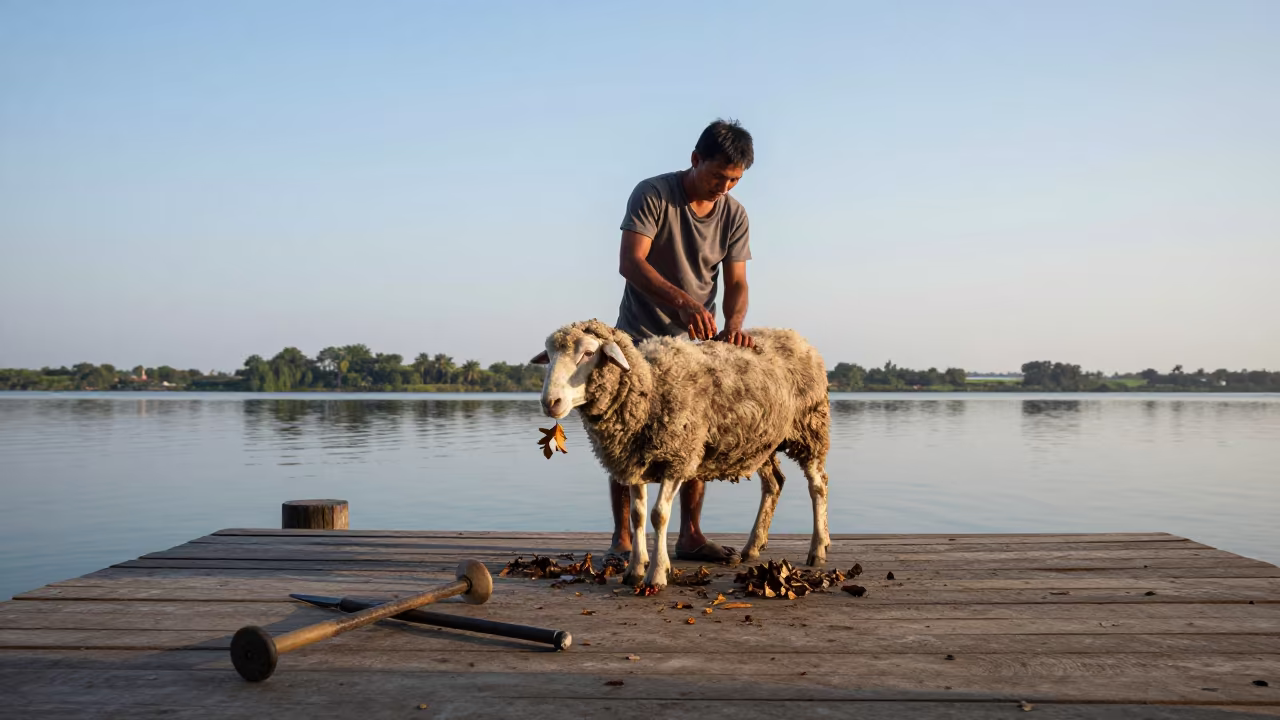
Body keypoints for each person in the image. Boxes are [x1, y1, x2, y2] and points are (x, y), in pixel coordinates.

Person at [609, 118, 756, 566]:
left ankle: (690, 535)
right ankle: (623, 541)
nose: (724, 188)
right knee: (625, 435)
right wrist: (683, 302)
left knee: (694, 438)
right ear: (695, 159)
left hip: (695, 344)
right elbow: (631, 263)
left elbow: (737, 282)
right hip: (639, 335)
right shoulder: (653, 194)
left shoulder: (733, 214)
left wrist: (733, 322)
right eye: (718, 176)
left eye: (734, 180)